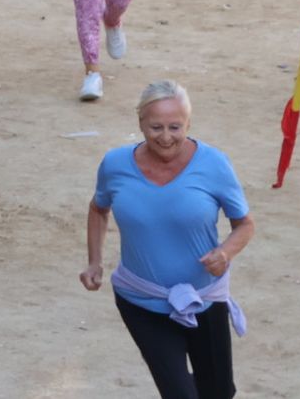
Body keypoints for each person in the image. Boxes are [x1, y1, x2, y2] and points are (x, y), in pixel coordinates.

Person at [80, 80, 254, 399]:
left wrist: (226, 252)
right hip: (141, 299)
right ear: (140, 124)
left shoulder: (213, 164)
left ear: (188, 123)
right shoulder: (116, 165)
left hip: (204, 298)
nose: (165, 136)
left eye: (175, 127)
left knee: (217, 392)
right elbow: (98, 208)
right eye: (155, 126)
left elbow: (244, 224)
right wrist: (94, 261)